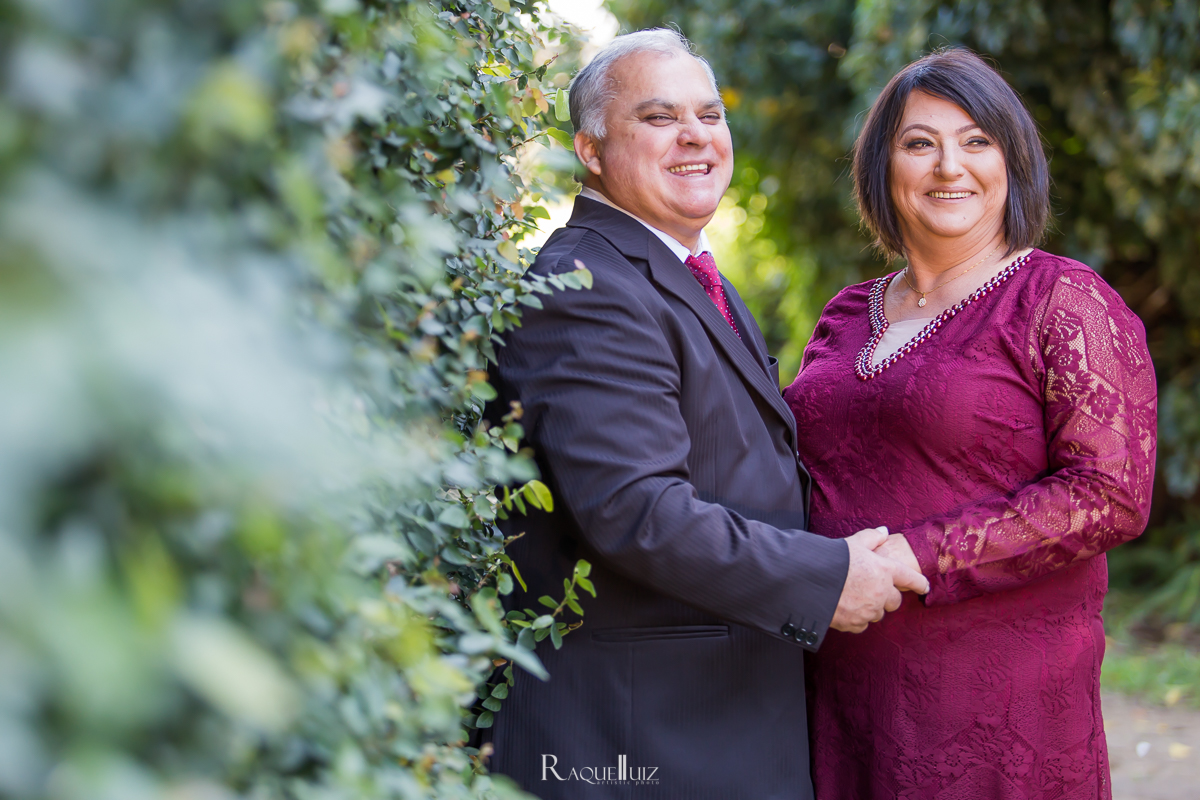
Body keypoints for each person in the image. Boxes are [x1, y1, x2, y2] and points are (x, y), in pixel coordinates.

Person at [483, 29, 927, 800]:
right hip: (638, 740)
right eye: (659, 118)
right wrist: (825, 579)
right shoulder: (586, 285)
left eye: (710, 114)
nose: (696, 136)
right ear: (590, 150)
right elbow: (634, 509)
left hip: (709, 718)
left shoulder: (680, 273)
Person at [784, 48, 1157, 799]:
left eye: (976, 141)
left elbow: (1110, 493)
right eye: (920, 143)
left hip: (997, 710)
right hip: (839, 699)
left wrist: (912, 558)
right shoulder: (848, 312)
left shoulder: (1061, 300)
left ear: (1012, 161)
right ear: (883, 167)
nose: (949, 166)